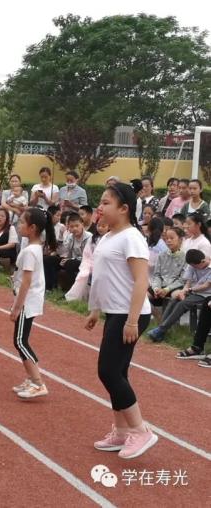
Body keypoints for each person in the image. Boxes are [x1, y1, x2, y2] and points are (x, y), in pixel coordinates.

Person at [86, 181, 157, 460]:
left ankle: (140, 430)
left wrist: (132, 320)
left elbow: (141, 280)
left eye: (106, 203)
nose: (100, 207)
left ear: (124, 208)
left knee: (108, 371)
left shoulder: (131, 238)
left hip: (130, 314)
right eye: (101, 202)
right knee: (117, 372)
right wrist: (95, 309)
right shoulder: (107, 237)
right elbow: (101, 278)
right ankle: (121, 431)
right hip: (114, 312)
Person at [10, 207, 57, 398]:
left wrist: (17, 307)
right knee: (20, 340)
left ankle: (38, 382)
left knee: (20, 341)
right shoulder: (34, 248)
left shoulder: (30, 251)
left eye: (22, 222)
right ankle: (32, 378)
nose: (19, 225)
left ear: (33, 228)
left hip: (27, 302)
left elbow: (27, 282)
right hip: (29, 300)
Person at [147, 248, 211, 343]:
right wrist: (183, 291)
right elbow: (188, 282)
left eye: (195, 266)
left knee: (183, 304)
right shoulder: (193, 264)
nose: (193, 267)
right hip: (193, 291)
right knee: (175, 299)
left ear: (202, 261)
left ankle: (161, 330)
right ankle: (161, 330)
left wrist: (189, 290)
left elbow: (205, 286)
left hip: (206, 295)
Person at [148, 227, 186, 315]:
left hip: (175, 287)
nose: (168, 240)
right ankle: (159, 318)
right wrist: (156, 288)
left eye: (172, 238)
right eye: (166, 238)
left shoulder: (185, 257)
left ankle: (170, 321)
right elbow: (157, 275)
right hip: (160, 286)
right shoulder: (162, 255)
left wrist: (167, 289)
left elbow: (182, 279)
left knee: (176, 296)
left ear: (180, 239)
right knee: (142, 296)